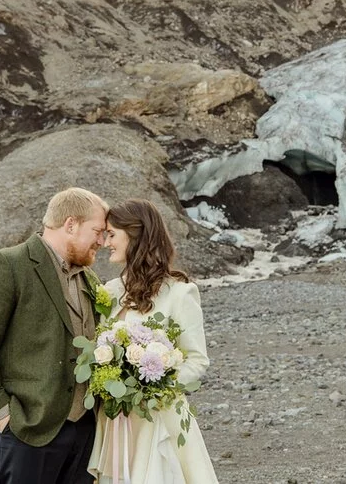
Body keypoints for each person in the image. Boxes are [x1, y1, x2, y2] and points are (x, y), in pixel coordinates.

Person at [0, 187, 109, 484]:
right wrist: (1, 416)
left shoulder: (90, 279)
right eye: (98, 231)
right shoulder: (8, 264)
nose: (102, 241)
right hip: (27, 430)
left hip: (85, 434)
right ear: (71, 224)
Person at [88, 198, 219, 484]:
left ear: (135, 235)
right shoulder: (111, 292)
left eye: (112, 234)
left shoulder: (180, 293)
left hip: (159, 420)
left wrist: (155, 387)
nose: (106, 242)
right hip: (116, 422)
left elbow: (197, 360)